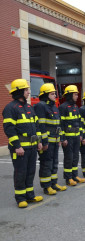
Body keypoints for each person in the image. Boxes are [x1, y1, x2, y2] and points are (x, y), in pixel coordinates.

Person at [2, 79, 44, 208]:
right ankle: (20, 198)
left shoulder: (29, 107)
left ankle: (30, 196)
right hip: (20, 148)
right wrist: (17, 146)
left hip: (31, 147)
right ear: (19, 91)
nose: (28, 92)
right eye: (26, 90)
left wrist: (39, 141)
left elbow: (36, 126)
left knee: (30, 171)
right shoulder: (10, 108)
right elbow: (9, 129)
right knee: (21, 172)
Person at [34, 83, 67, 195]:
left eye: (55, 93)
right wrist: (44, 142)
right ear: (45, 94)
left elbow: (58, 125)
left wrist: (60, 139)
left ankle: (53, 183)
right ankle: (46, 186)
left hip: (55, 141)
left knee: (54, 163)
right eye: (52, 94)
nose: (54, 95)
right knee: (46, 164)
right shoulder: (41, 106)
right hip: (47, 142)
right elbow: (40, 125)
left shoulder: (54, 107)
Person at [59, 85, 85, 186]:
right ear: (70, 95)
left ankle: (74, 175)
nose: (77, 96)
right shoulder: (63, 107)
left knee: (75, 157)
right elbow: (61, 124)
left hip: (76, 137)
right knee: (68, 158)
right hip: (68, 138)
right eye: (75, 94)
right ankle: (68, 178)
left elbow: (79, 123)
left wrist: (81, 135)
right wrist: (63, 138)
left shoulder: (76, 107)